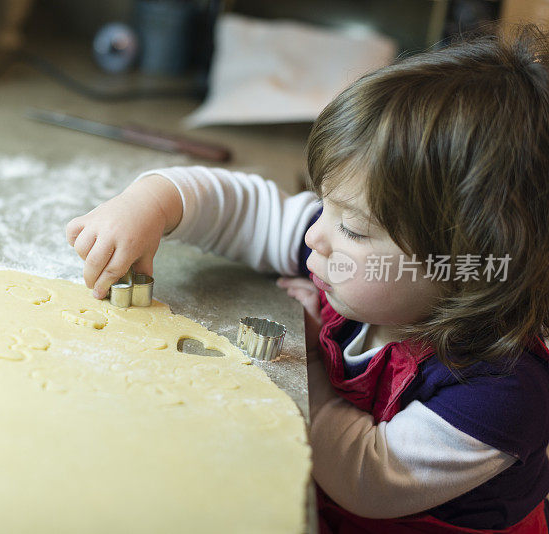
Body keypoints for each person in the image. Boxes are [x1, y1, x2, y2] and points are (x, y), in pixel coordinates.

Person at [65, 25, 549, 533]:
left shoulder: (501, 389)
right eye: (324, 205)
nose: (315, 234)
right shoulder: (349, 254)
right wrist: (152, 203)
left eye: (354, 228)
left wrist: (309, 363)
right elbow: (244, 212)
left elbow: (367, 476)